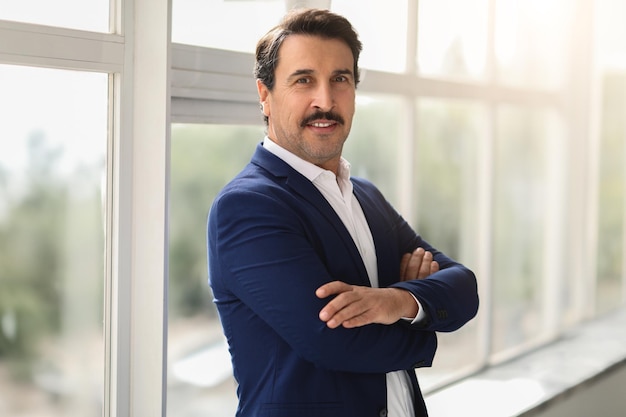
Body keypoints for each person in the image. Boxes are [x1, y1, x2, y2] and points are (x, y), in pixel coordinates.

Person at [207, 8, 479, 417]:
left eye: (340, 79)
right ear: (265, 94)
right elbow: (335, 342)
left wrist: (397, 303)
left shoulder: (365, 196)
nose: (325, 100)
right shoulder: (247, 207)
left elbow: (464, 287)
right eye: (304, 80)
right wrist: (426, 326)